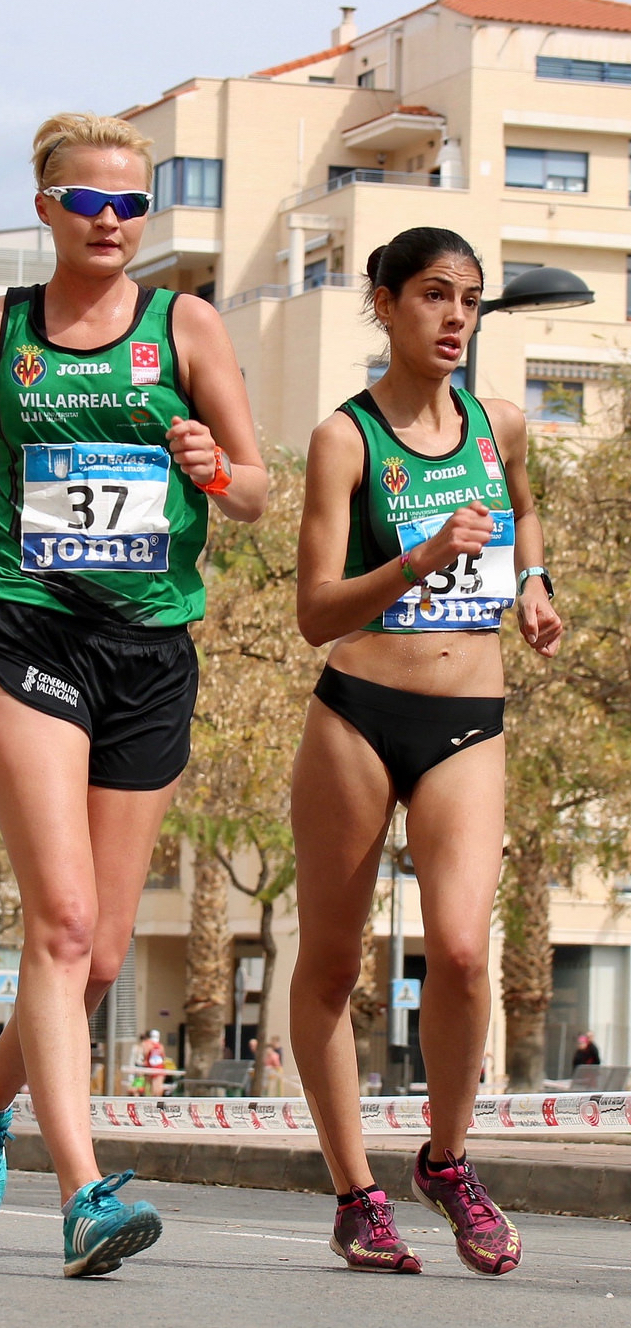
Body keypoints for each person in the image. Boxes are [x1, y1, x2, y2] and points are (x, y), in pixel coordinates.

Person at [0, 110, 267, 1279]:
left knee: (94, 962)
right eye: (86, 202)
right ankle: (85, 1193)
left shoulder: (183, 323)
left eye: (130, 203)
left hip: (153, 654)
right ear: (44, 208)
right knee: (64, 924)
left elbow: (251, 490)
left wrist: (215, 468)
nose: (109, 221)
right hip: (27, 635)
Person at [289, 227, 562, 1278]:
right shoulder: (343, 439)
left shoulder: (498, 424)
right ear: (383, 303)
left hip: (469, 717)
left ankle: (446, 1161)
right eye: (434, 296)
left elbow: (521, 513)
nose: (454, 318)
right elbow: (314, 610)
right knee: (329, 963)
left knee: (456, 949)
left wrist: (533, 584)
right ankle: (355, 1193)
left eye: (470, 301)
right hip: (358, 709)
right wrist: (412, 557)